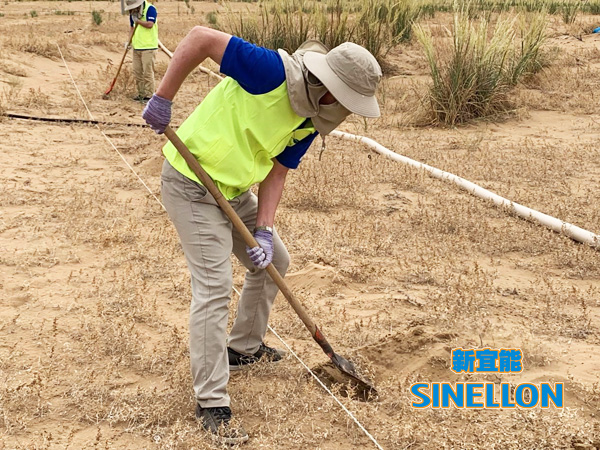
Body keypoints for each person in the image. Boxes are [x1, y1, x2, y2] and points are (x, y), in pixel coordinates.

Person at [142, 26, 382, 445]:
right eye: (347, 101)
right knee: (215, 288)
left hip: (233, 191)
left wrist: (265, 231)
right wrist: (163, 97)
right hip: (191, 183)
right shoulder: (270, 72)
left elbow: (277, 171)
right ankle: (212, 400)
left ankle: (243, 349)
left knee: (278, 261)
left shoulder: (312, 120)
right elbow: (199, 38)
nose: (347, 111)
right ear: (328, 87)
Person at [123, 0, 158, 102]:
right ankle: (141, 94)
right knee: (137, 71)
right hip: (137, 47)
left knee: (147, 73)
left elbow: (150, 24)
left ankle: (149, 96)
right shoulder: (132, 14)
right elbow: (132, 28)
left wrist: (138, 21)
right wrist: (128, 42)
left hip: (149, 47)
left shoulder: (150, 9)